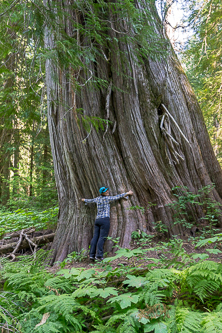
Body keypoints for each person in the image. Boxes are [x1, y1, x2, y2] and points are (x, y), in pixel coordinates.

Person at [82, 187, 133, 261]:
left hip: (97, 220)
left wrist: (84, 200)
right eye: (105, 191)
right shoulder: (107, 198)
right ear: (102, 193)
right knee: (102, 238)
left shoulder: (97, 199)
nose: (107, 192)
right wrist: (127, 193)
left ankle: (92, 255)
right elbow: (117, 197)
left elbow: (90, 200)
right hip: (104, 220)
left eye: (107, 190)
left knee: (95, 237)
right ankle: (99, 256)